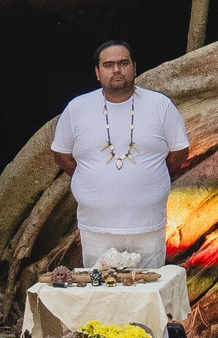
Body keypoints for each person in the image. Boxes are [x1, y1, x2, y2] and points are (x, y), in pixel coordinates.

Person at [49, 40, 193, 270]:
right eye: (108, 65)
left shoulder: (160, 105)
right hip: (96, 229)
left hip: (147, 228)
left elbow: (179, 151)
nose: (116, 70)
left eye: (123, 63)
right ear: (97, 72)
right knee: (101, 295)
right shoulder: (77, 108)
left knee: (146, 294)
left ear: (134, 67)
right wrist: (90, 178)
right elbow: (61, 154)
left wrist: (153, 176)